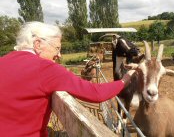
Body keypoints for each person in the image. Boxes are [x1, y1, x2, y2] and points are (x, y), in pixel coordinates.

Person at [0, 21, 135, 137]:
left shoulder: (3, 61)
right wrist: (125, 80)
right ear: (38, 44)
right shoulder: (45, 68)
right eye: (57, 48)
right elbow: (96, 93)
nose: (59, 55)